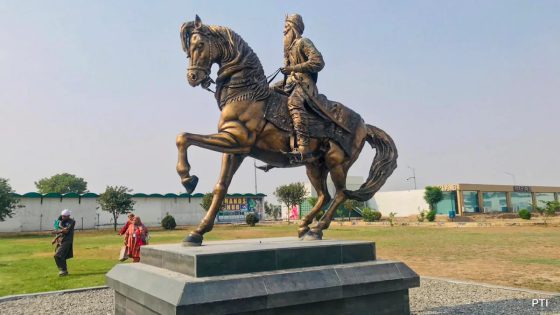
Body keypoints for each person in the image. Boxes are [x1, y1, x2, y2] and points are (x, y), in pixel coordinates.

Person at [273, 13, 325, 162]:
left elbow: (318, 62)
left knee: (294, 102)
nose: (284, 31)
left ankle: (303, 146)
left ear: (294, 28)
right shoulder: (288, 50)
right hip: (290, 82)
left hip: (305, 83)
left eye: (286, 28)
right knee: (268, 93)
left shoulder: (304, 42)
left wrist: (294, 68)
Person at [53, 209, 75, 276]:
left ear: (68, 216)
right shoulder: (61, 221)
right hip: (61, 240)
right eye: (62, 216)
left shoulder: (72, 221)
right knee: (61, 256)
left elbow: (66, 231)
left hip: (67, 241)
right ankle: (64, 271)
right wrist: (55, 238)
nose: (63, 217)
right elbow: (60, 231)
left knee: (57, 255)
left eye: (64, 216)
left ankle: (63, 270)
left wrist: (59, 228)